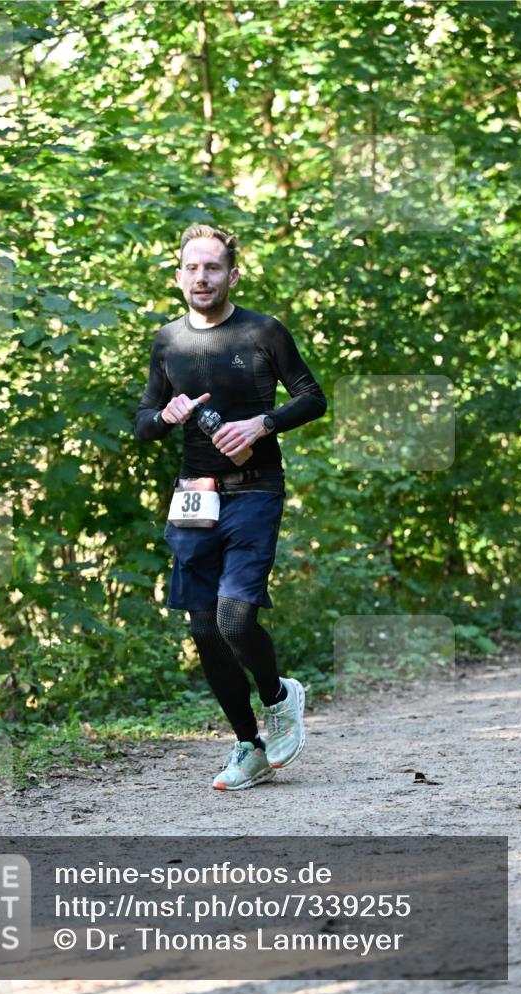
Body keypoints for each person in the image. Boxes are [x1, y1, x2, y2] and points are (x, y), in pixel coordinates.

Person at [133, 224, 327, 790]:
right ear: (178, 276)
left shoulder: (263, 331)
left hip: (255, 487)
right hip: (194, 495)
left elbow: (312, 397)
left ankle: (278, 695)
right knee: (203, 629)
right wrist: (164, 418)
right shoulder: (168, 341)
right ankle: (249, 747)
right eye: (192, 268)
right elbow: (144, 422)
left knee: (234, 615)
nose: (201, 277)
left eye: (212, 268)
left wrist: (262, 423)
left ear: (231, 275)